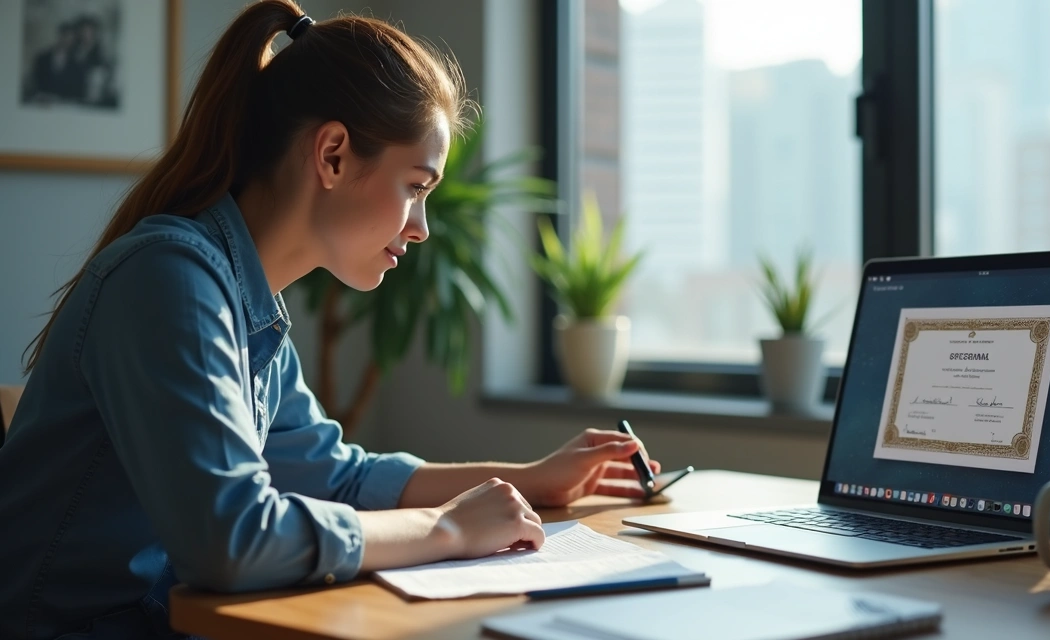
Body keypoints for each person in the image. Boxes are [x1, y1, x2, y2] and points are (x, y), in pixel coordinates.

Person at [0, 2, 662, 638]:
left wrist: (528, 478)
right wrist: (449, 529)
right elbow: (232, 541)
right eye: (415, 186)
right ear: (333, 155)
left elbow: (339, 477)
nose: (422, 226)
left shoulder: (243, 303)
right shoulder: (167, 280)